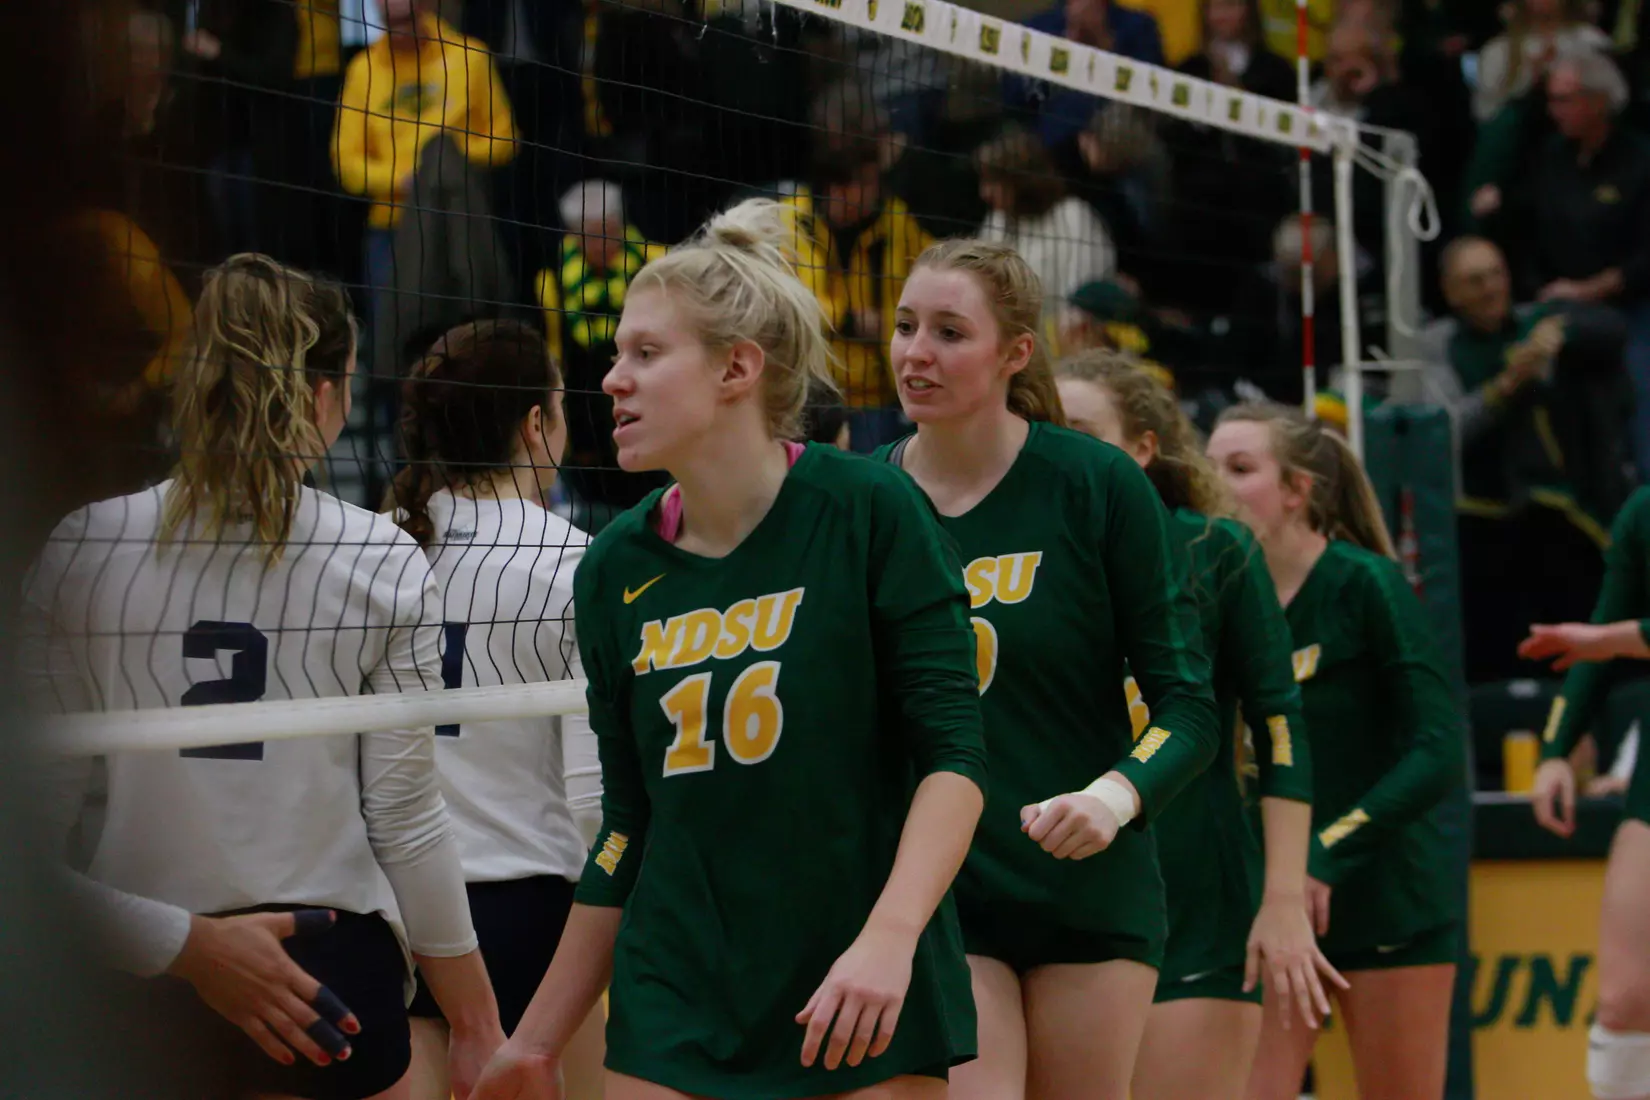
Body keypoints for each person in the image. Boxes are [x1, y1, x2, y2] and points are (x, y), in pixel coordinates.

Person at [470, 200, 988, 1100]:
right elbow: (627, 823)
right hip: (679, 990)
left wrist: (892, 936)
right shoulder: (610, 569)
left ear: (736, 368)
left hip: (855, 976)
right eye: (615, 354)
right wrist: (537, 1039)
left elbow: (955, 757)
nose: (611, 379)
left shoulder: (869, 512)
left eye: (645, 353)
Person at [23, 254, 506, 1100]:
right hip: (325, 974)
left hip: (139, 976)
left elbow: (24, 844)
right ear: (322, 399)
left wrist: (188, 949)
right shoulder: (380, 557)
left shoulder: (85, 547)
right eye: (348, 384)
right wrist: (475, 1022)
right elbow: (407, 821)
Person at [875, 239, 1221, 1100]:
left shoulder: (1095, 485)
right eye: (906, 325)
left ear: (1015, 353)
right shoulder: (862, 501)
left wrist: (1112, 798)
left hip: (1085, 884)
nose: (917, 353)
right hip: (942, 892)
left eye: (951, 332)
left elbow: (1189, 707)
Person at [1053, 355, 1343, 1100]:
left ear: (1144, 447)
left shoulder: (1212, 550)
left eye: (1082, 430)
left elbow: (1280, 728)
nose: (1058, 445)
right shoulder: (1013, 556)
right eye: (1044, 427)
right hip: (1052, 899)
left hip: (1196, 901)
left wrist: (1282, 900)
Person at [1204, 403, 1464, 1100]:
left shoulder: (1366, 586)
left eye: (1239, 468)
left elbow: (1439, 749)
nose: (1216, 483)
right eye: (1208, 467)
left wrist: (1325, 852)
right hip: (1269, 910)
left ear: (1297, 491)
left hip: (1387, 902)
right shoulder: (1218, 597)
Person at [389, 319, 607, 1100]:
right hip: (530, 909)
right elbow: (591, 796)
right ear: (534, 425)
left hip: (402, 914)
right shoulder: (571, 558)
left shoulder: (378, 547)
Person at [1523, 485, 1650, 1100]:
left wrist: (1613, 639)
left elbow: (1606, 639)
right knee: (1625, 1001)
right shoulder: (1642, 513)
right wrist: (1555, 752)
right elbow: (1594, 636)